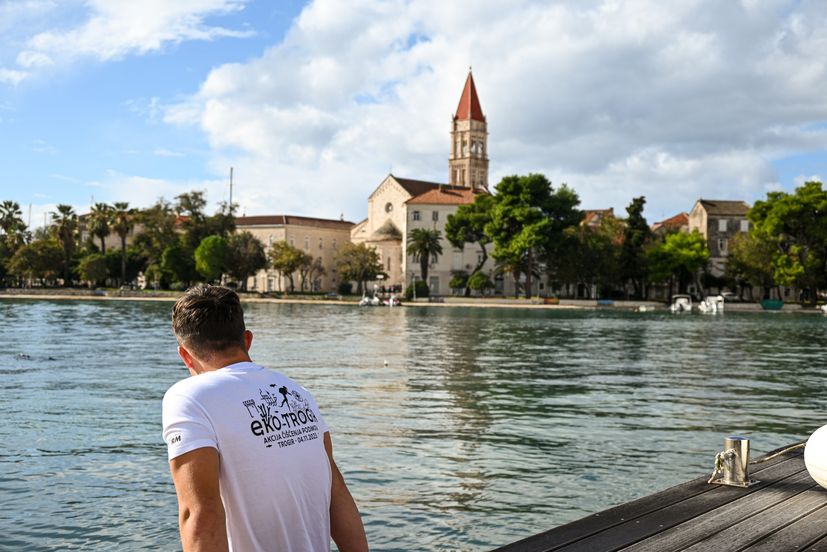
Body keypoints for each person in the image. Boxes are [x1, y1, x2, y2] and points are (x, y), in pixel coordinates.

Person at [162, 284, 368, 551]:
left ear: (185, 356)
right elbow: (336, 491)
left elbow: (199, 515)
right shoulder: (298, 392)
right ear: (247, 340)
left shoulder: (188, 397)